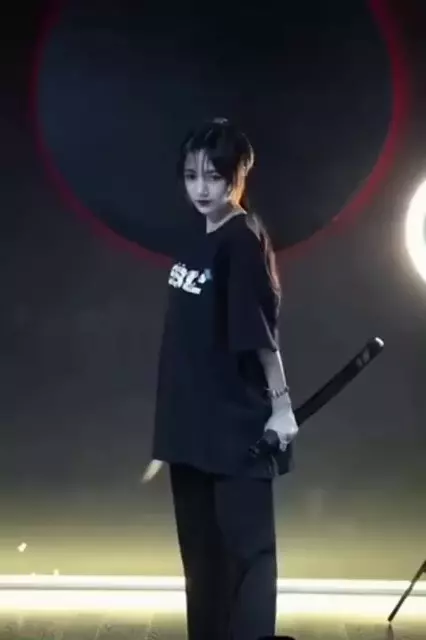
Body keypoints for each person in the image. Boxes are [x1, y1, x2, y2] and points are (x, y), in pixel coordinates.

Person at [100, 118, 299, 640]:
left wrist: (281, 407)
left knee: (246, 561)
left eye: (214, 176)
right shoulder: (197, 234)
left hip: (236, 430)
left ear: (238, 175)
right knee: (203, 565)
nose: (202, 189)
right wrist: (172, 433)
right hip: (190, 430)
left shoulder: (242, 239)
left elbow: (260, 334)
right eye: (192, 176)